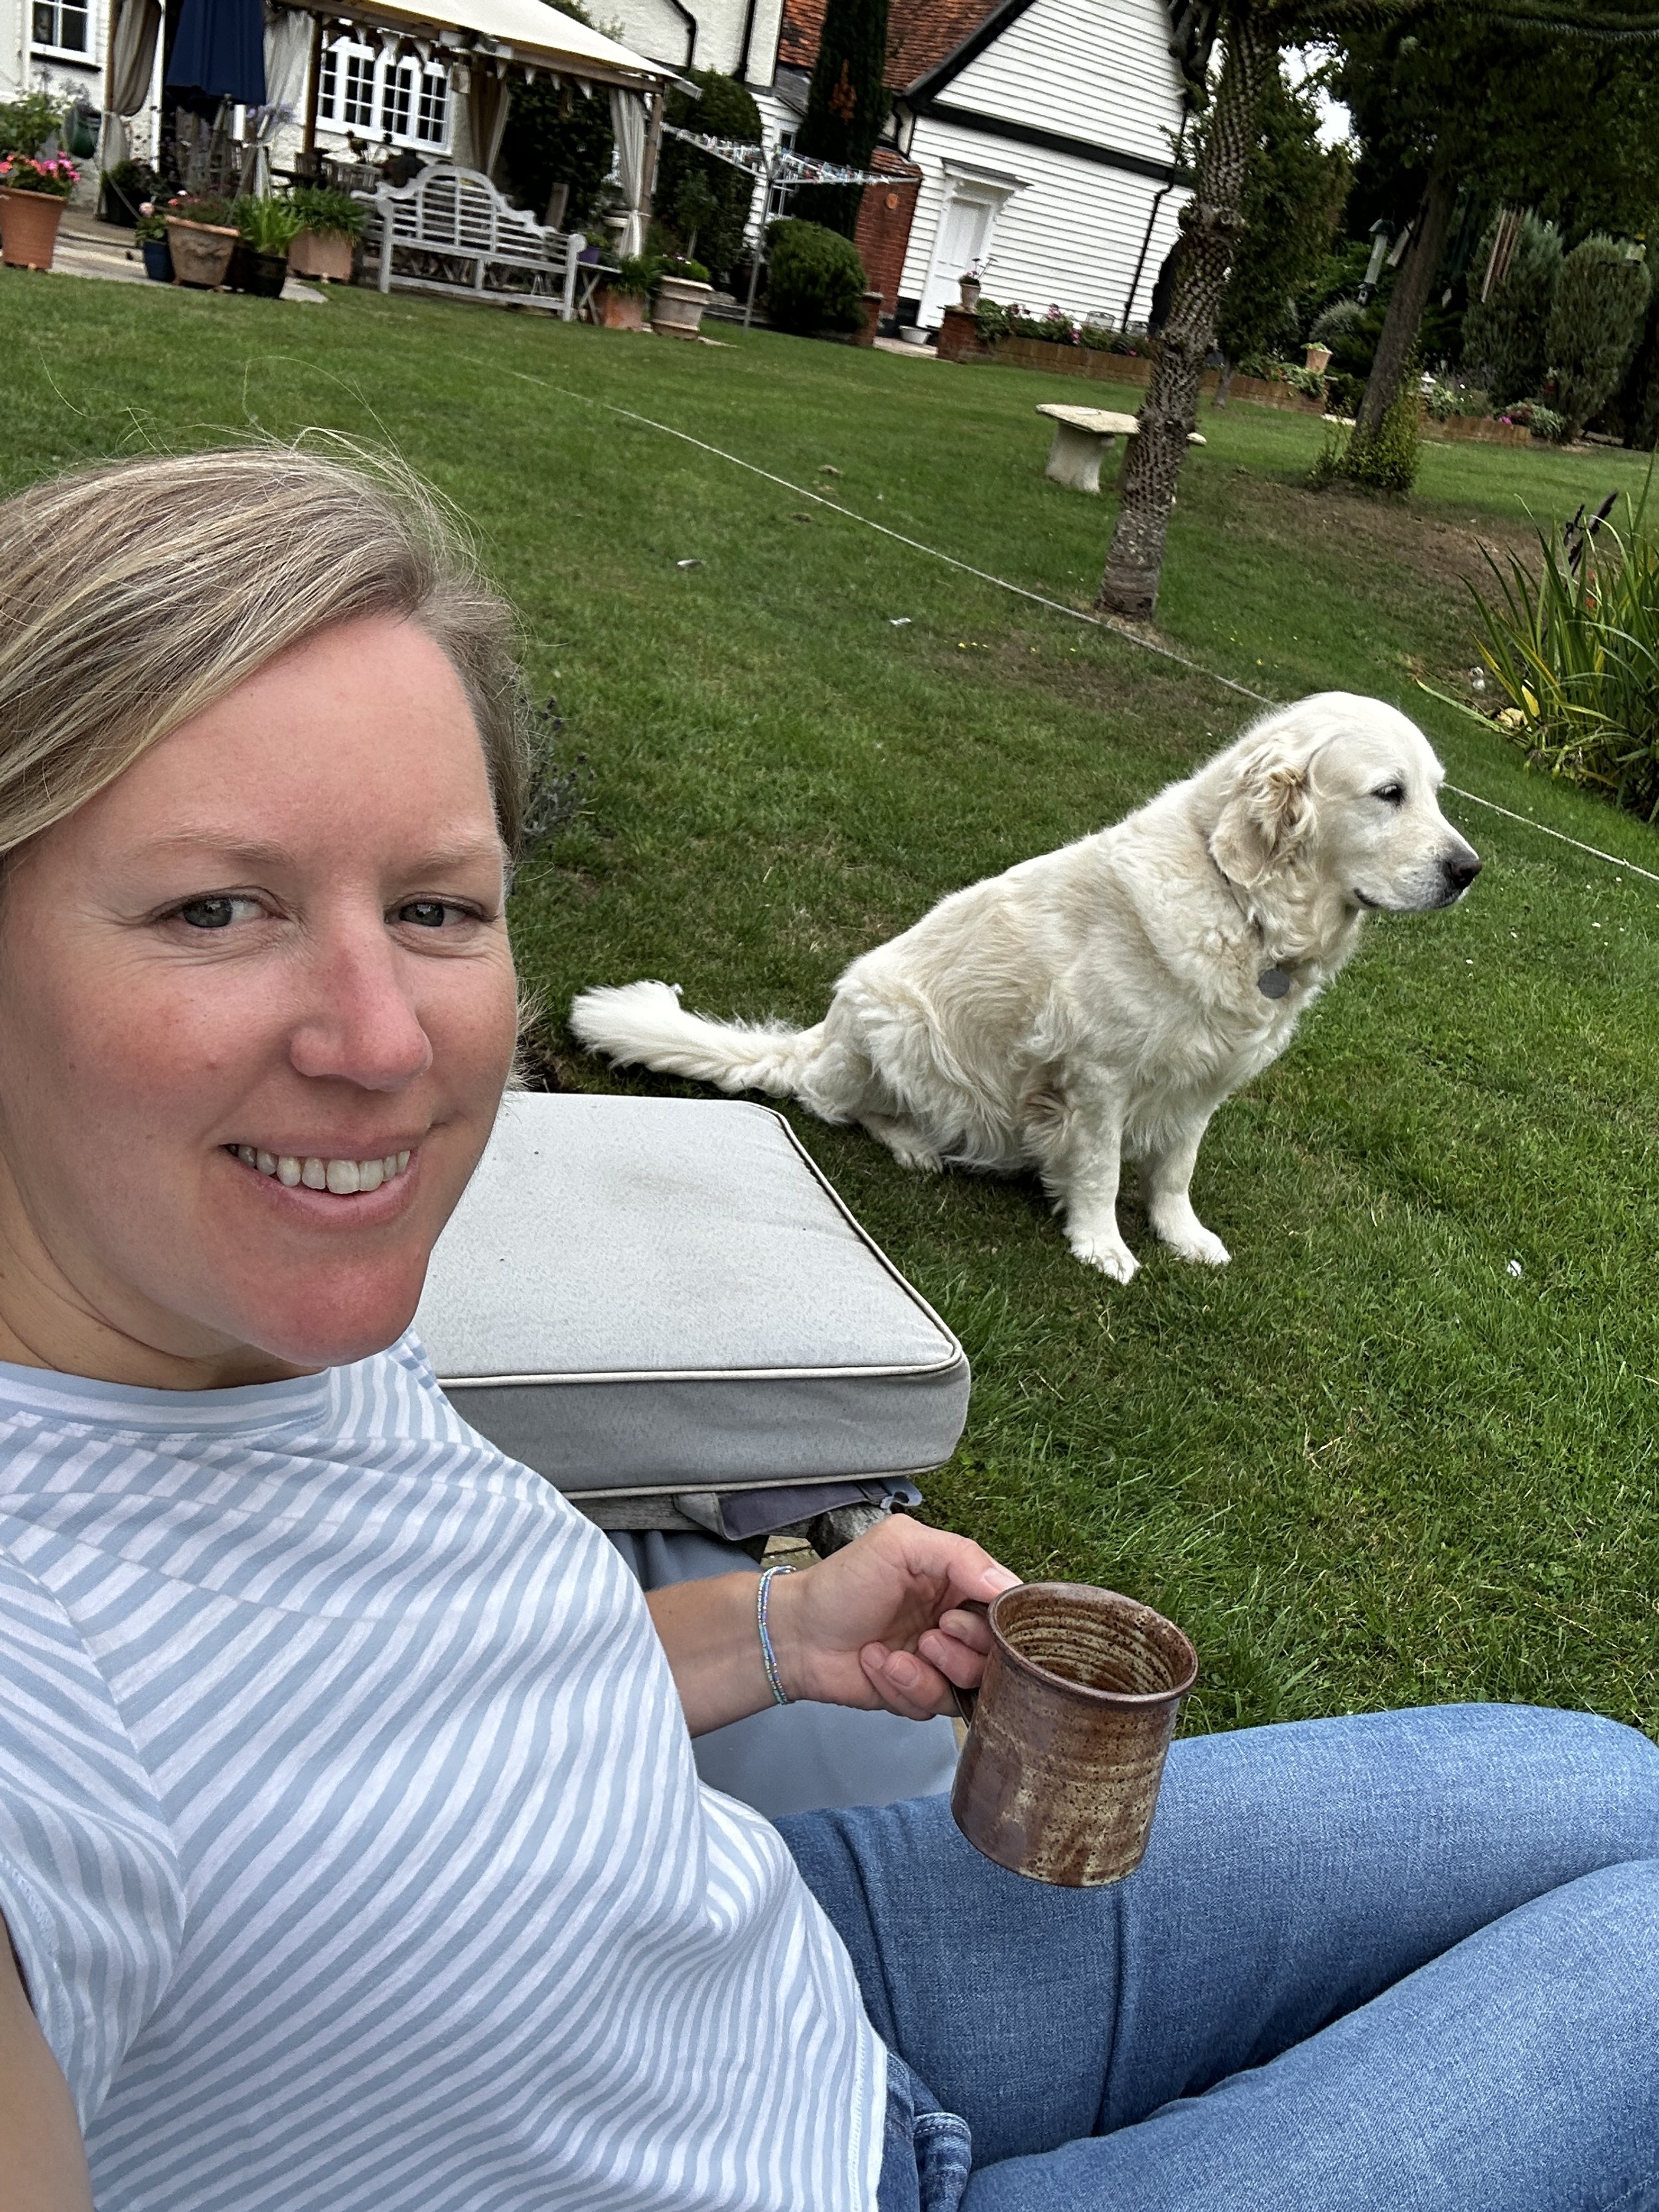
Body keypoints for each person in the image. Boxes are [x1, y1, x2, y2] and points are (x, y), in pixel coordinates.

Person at [0, 446, 1653, 2212]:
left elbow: (369, 1718)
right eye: (211, 908)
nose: (385, 1042)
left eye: (434, 908)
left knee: (1599, 1787)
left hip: (771, 1952)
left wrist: (774, 1628)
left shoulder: (240, 1300)